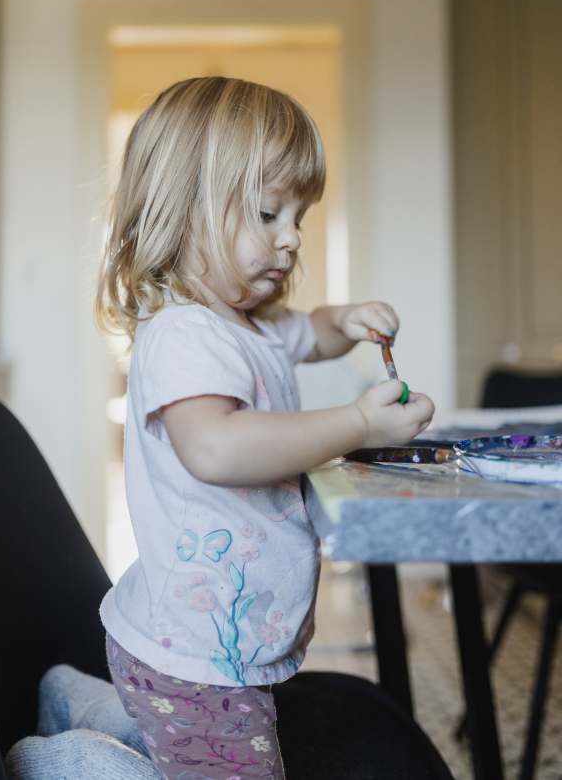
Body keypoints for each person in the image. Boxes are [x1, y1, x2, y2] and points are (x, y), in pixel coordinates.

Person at [96, 76, 434, 780]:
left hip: (225, 644)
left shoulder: (248, 325)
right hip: (191, 661)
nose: (289, 240)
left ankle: (103, 719)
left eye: (298, 218)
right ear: (183, 209)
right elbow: (216, 448)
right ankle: (82, 757)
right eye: (267, 213)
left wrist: (343, 321)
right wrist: (355, 422)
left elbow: (306, 332)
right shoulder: (184, 334)